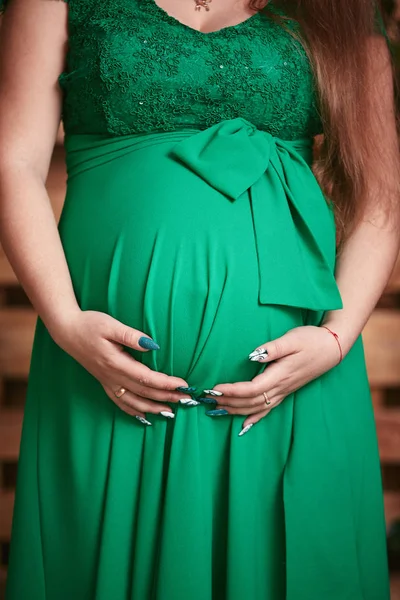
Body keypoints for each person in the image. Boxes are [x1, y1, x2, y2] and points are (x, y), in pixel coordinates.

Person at [0, 0, 399, 597]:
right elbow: (14, 161)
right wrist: (63, 319)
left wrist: (334, 340)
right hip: (103, 373)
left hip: (291, 382)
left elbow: (381, 193)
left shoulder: (340, 9)